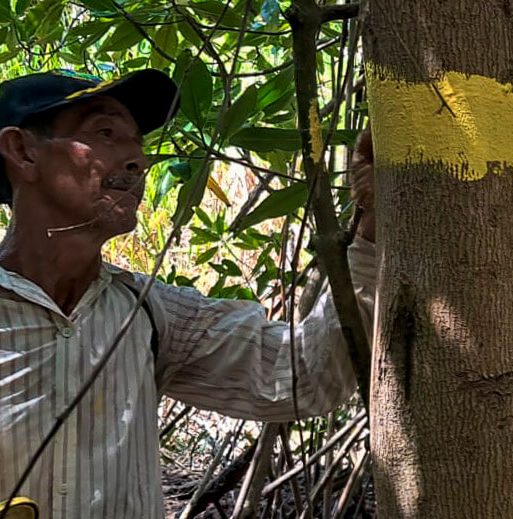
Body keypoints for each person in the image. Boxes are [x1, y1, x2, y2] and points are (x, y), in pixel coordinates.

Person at [0, 69, 377, 518]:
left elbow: (303, 377)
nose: (137, 159)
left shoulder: (149, 314)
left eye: (137, 140)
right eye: (104, 132)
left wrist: (370, 223)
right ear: (22, 151)